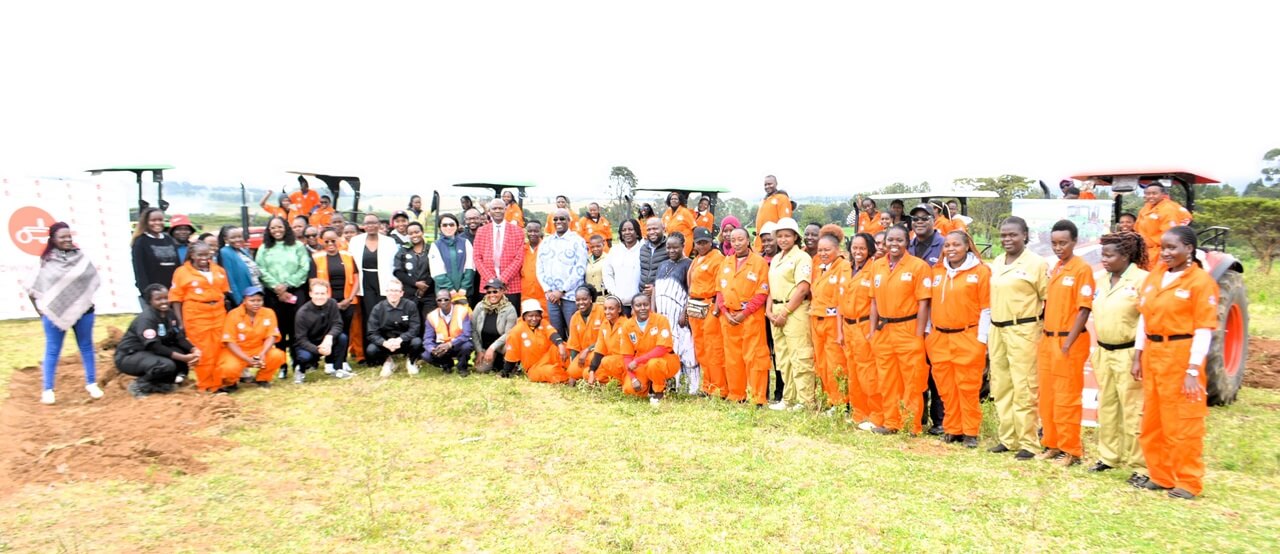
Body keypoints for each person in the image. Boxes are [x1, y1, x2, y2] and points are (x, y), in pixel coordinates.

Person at [1132, 226, 1218, 499]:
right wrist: (1138, 354)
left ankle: (1188, 481)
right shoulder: (1156, 276)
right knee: (1153, 421)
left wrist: (1193, 368)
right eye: (1164, 247)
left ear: (1189, 249)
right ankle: (1161, 474)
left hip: (1181, 354)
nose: (1166, 253)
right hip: (1154, 353)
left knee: (1182, 422)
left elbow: (1204, 329)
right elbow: (1144, 317)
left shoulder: (1200, 282)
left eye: (1173, 248)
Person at [987, 216, 1049, 459]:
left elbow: (1048, 298)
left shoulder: (1037, 263)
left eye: (1013, 234)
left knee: (1024, 385)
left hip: (1023, 328)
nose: (1007, 239)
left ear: (1025, 234)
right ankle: (1008, 438)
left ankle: (1029, 442)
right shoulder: (997, 261)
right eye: (1003, 235)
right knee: (1001, 385)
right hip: (997, 328)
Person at [1089, 232, 1149, 474]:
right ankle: (1109, 456)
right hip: (1104, 350)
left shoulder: (1142, 280)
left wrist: (1139, 356)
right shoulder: (1102, 280)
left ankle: (1139, 465)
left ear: (1125, 256)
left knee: (1133, 409)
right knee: (1107, 406)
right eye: (1102, 254)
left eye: (1109, 255)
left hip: (1129, 353)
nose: (1104, 259)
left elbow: (1147, 319)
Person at [1035, 219, 1095, 467]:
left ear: (1075, 242)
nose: (1059, 247)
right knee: (1047, 397)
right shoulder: (1057, 268)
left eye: (1063, 243)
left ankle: (1072, 450)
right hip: (1048, 340)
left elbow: (1083, 311)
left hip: (1068, 342)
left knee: (1067, 398)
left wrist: (1068, 344)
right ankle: (1052, 444)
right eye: (1054, 243)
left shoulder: (1082, 270)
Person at [926, 230, 991, 448]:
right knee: (946, 387)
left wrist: (982, 340)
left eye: (956, 245)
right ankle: (952, 428)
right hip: (939, 337)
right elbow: (928, 305)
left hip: (968, 337)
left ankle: (970, 431)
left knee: (968, 387)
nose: (951, 249)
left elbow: (986, 309)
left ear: (967, 247)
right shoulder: (936, 272)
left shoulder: (981, 272)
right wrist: (928, 333)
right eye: (947, 246)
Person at [27, 222, 103, 404]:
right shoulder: (47, 261)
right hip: (54, 312)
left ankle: (92, 383)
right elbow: (34, 288)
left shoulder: (80, 256)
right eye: (62, 237)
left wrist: (81, 299)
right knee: (53, 350)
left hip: (84, 311)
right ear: (53, 239)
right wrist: (40, 309)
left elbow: (92, 279)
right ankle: (48, 390)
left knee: (86, 347)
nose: (67, 239)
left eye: (69, 236)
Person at [867, 225, 932, 435]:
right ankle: (891, 422)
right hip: (884, 330)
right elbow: (874, 301)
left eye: (899, 240)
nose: (894, 244)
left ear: (907, 242)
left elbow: (923, 304)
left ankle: (911, 424)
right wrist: (871, 330)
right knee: (887, 379)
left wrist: (919, 335)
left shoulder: (918, 267)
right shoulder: (877, 266)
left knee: (912, 380)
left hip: (908, 328)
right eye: (890, 240)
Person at [717, 228, 772, 405]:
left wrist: (744, 313)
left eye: (740, 239)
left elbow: (762, 293)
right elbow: (719, 291)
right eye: (733, 240)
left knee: (754, 357)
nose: (737, 243)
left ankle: (757, 397)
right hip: (729, 318)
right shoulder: (725, 263)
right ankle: (736, 394)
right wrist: (725, 312)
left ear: (748, 241)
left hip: (750, 318)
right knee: (733, 359)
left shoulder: (759, 263)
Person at [765, 218, 815, 411]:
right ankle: (789, 398)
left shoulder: (802, 258)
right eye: (780, 236)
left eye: (787, 235)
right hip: (776, 311)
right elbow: (772, 287)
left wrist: (785, 312)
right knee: (783, 356)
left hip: (794, 311)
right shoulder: (777, 258)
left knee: (800, 355)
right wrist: (769, 311)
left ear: (795, 237)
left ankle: (805, 400)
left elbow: (803, 288)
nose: (783, 239)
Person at [169, 242, 230, 392]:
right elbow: (176, 298)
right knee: (202, 349)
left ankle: (219, 382)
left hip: (218, 311)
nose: (204, 258)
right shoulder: (182, 272)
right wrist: (180, 321)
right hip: (196, 313)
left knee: (219, 347)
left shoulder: (219, 270)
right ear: (192, 255)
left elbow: (225, 292)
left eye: (207, 254)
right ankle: (205, 384)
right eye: (200, 255)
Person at [115, 285, 197, 397]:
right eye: (158, 299)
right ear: (150, 301)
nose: (164, 302)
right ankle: (139, 385)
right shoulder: (146, 319)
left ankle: (161, 384)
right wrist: (183, 358)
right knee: (166, 365)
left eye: (166, 298)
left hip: (148, 354)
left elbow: (179, 337)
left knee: (180, 353)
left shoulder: (170, 314)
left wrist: (194, 349)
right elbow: (154, 346)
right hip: (130, 356)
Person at [907, 203, 946, 434]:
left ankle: (939, 420)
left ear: (934, 219)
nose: (919, 221)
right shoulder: (907, 244)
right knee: (916, 370)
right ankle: (917, 417)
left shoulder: (944, 245)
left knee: (935, 371)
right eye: (915, 218)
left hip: (937, 318)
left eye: (925, 218)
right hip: (911, 319)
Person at [255, 216, 310, 370]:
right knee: (277, 329)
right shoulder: (264, 248)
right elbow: (261, 269)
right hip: (273, 294)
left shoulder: (298, 246)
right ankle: (281, 365)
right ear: (268, 230)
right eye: (272, 228)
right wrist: (276, 286)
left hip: (295, 292)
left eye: (279, 227)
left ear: (286, 227)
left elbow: (304, 268)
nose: (276, 230)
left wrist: (287, 285)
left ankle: (298, 363)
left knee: (296, 328)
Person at [839, 233, 880, 430]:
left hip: (864, 326)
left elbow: (876, 302)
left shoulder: (874, 269)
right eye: (854, 247)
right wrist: (840, 331)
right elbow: (840, 301)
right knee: (853, 371)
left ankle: (876, 415)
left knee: (868, 372)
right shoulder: (847, 268)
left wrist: (872, 331)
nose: (858, 251)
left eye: (862, 248)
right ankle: (858, 412)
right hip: (848, 327)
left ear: (870, 249)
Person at [309, 228, 358, 376]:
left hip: (348, 301)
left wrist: (348, 299)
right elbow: (313, 282)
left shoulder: (348, 256)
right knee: (330, 331)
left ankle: (342, 361)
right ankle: (329, 362)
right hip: (327, 303)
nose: (330, 243)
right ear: (321, 241)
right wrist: (329, 302)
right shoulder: (316, 258)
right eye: (327, 241)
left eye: (333, 240)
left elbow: (356, 279)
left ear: (339, 240)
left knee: (346, 331)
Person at [615, 293, 681, 405]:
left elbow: (661, 349)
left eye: (645, 305)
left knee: (653, 364)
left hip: (665, 360)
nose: (642, 308)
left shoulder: (661, 320)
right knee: (630, 390)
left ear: (650, 305)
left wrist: (637, 361)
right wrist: (633, 379)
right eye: (638, 305)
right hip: (641, 363)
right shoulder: (627, 326)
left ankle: (659, 391)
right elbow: (627, 356)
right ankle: (649, 386)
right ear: (632, 308)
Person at [216, 286, 286, 390]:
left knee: (278, 356)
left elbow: (272, 335)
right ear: (244, 300)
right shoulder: (233, 315)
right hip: (237, 351)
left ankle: (262, 379)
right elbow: (229, 341)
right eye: (252, 300)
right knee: (228, 368)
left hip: (258, 349)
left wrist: (263, 353)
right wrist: (246, 359)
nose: (256, 303)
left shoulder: (269, 313)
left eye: (259, 300)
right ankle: (231, 383)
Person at [654, 232, 698, 394]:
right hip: (663, 316)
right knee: (669, 351)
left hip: (679, 316)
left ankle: (693, 388)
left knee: (686, 351)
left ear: (683, 246)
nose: (671, 250)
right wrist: (654, 311)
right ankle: (674, 386)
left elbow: (692, 291)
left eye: (675, 247)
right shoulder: (663, 264)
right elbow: (654, 289)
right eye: (668, 247)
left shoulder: (689, 264)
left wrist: (685, 313)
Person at [809, 232, 848, 412]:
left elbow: (842, 299)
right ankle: (828, 398)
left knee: (836, 363)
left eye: (827, 250)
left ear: (837, 249)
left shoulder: (843, 267)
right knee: (822, 362)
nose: (823, 253)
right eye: (820, 250)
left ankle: (840, 401)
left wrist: (841, 330)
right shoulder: (820, 267)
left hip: (833, 321)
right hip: (817, 320)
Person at [538, 209, 590, 341]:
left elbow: (580, 268)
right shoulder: (546, 241)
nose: (558, 222)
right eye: (555, 219)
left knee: (574, 333)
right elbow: (539, 268)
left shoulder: (578, 241)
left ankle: (575, 360)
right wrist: (548, 291)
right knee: (557, 334)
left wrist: (561, 291)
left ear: (569, 221)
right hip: (551, 298)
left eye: (562, 219)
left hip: (571, 296)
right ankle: (561, 360)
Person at [688, 227, 726, 398]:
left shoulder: (717, 259)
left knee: (714, 348)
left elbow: (721, 287)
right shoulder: (697, 258)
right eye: (699, 243)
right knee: (701, 348)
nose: (702, 245)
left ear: (711, 242)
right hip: (696, 307)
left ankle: (719, 387)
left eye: (705, 242)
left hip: (710, 306)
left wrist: (717, 310)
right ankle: (707, 385)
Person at [349, 213, 399, 336]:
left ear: (379, 225)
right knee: (369, 313)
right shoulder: (355, 241)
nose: (371, 226)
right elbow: (351, 264)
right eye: (367, 223)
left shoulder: (389, 242)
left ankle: (384, 347)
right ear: (363, 226)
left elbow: (394, 264)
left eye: (374, 223)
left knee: (384, 313)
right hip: (364, 281)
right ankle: (369, 348)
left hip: (384, 281)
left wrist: (395, 284)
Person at [293, 279, 350, 383]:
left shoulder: (332, 304)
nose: (320, 297)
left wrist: (329, 337)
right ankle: (300, 371)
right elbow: (301, 339)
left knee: (342, 338)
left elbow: (338, 324)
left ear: (327, 293)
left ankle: (338, 369)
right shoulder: (302, 313)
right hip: (309, 344)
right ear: (310, 294)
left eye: (323, 293)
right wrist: (318, 349)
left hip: (326, 340)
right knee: (304, 356)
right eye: (316, 293)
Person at [474, 199, 526, 307]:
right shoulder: (481, 231)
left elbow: (519, 258)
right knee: (489, 320)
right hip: (487, 285)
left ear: (505, 210)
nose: (497, 211)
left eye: (500, 208)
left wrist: (502, 280)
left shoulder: (517, 231)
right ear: (489, 211)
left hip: (511, 285)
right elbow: (477, 257)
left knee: (510, 320)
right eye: (494, 208)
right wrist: (492, 281)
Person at [502, 299, 570, 383]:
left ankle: (573, 371)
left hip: (549, 357)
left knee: (564, 346)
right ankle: (568, 377)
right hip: (534, 367)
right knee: (551, 371)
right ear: (524, 316)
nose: (534, 319)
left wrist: (560, 344)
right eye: (530, 316)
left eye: (537, 315)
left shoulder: (543, 323)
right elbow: (512, 355)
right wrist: (505, 373)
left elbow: (552, 334)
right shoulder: (516, 331)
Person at [366, 280, 423, 377]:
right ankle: (388, 362)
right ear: (386, 292)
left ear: (402, 293)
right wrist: (384, 343)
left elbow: (415, 328)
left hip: (404, 342)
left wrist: (400, 339)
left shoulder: (410, 306)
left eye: (397, 291)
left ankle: (411, 361)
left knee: (417, 342)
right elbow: (372, 333)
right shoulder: (377, 308)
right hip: (386, 344)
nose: (393, 293)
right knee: (371, 350)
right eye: (391, 290)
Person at [131, 207, 181, 303]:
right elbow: (139, 271)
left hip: (172, 292)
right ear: (146, 222)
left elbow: (177, 266)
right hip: (154, 294)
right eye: (153, 220)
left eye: (160, 220)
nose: (157, 223)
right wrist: (147, 293)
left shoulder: (169, 239)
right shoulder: (141, 242)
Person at [1136, 183, 1191, 267]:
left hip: (1159, 252)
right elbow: (1137, 228)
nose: (1151, 196)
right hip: (1144, 250)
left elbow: (1170, 236)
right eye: (1148, 194)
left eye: (1154, 193)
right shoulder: (1146, 208)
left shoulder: (1168, 210)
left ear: (1162, 194)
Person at [472, 279, 519, 374]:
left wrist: (492, 348)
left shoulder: (510, 309)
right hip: (484, 345)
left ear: (502, 291)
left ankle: (509, 363)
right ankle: (495, 361)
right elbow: (473, 330)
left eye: (495, 291)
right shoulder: (479, 306)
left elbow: (508, 333)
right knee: (481, 370)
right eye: (489, 292)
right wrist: (479, 351)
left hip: (501, 346)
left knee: (510, 346)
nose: (492, 295)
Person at [423, 290, 474, 375]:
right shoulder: (431, 316)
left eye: (446, 299)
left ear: (451, 300)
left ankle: (462, 367)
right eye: (439, 300)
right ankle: (447, 365)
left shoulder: (462, 311)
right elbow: (427, 339)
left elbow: (467, 334)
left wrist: (450, 344)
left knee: (467, 346)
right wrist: (432, 349)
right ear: (436, 301)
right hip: (442, 347)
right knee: (426, 355)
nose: (443, 302)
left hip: (458, 344)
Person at [429, 214, 476, 302]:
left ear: (457, 226)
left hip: (464, 293)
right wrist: (450, 289)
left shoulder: (465, 242)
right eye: (445, 225)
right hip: (444, 295)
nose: (448, 227)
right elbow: (437, 272)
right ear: (440, 227)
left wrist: (464, 287)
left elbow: (470, 267)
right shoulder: (435, 245)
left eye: (451, 224)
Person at [583, 295, 629, 386]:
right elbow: (599, 350)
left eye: (611, 309)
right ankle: (614, 381)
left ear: (619, 309)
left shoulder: (626, 324)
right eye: (605, 309)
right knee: (586, 373)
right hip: (610, 363)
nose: (607, 312)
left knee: (606, 361)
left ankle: (622, 380)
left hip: (624, 362)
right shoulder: (604, 324)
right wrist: (592, 371)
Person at [565, 285, 606, 383]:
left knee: (589, 370)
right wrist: (573, 371)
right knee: (572, 371)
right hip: (584, 356)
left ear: (591, 299)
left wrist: (588, 350)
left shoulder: (602, 311)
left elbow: (605, 339)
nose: (581, 303)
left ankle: (595, 374)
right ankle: (587, 373)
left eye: (584, 299)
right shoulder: (575, 317)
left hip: (600, 352)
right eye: (578, 300)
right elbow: (574, 345)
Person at [603, 219, 643, 316]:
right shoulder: (615, 250)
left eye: (630, 229)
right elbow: (607, 273)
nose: (627, 232)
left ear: (637, 232)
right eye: (624, 230)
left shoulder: (644, 249)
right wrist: (614, 293)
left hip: (640, 304)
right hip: (620, 304)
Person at [393, 221, 433, 312]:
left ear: (422, 232)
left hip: (429, 294)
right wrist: (416, 283)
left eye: (417, 232)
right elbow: (398, 271)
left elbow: (436, 269)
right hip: (409, 293)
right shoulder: (403, 250)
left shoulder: (431, 249)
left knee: (429, 321)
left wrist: (425, 286)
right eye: (411, 233)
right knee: (412, 321)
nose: (414, 235)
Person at [217, 226, 263, 305]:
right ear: (226, 239)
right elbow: (230, 278)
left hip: (257, 293)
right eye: (233, 237)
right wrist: (239, 300)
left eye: (239, 237)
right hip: (245, 298)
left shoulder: (242, 250)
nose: (237, 240)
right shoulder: (225, 252)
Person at [754, 175, 792, 251]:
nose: (767, 186)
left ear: (776, 184)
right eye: (765, 185)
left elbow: (785, 222)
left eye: (770, 184)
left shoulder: (782, 198)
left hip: (773, 243)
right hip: (761, 242)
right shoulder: (764, 200)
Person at [522, 221, 549, 315]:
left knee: (545, 322)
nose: (532, 234)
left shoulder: (547, 247)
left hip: (543, 293)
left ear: (541, 231)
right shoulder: (522, 249)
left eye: (536, 231)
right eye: (530, 231)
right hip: (526, 294)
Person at [638, 217, 668, 298]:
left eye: (655, 229)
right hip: (643, 296)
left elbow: (676, 274)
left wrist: (656, 288)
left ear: (663, 229)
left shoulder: (670, 248)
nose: (651, 232)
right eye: (649, 229)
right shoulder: (643, 248)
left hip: (662, 297)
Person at [661, 192, 696, 256]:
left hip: (684, 242)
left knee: (681, 260)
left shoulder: (685, 212)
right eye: (672, 199)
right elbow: (662, 226)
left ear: (679, 201)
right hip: (670, 241)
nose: (673, 200)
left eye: (676, 199)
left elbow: (694, 227)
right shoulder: (667, 212)